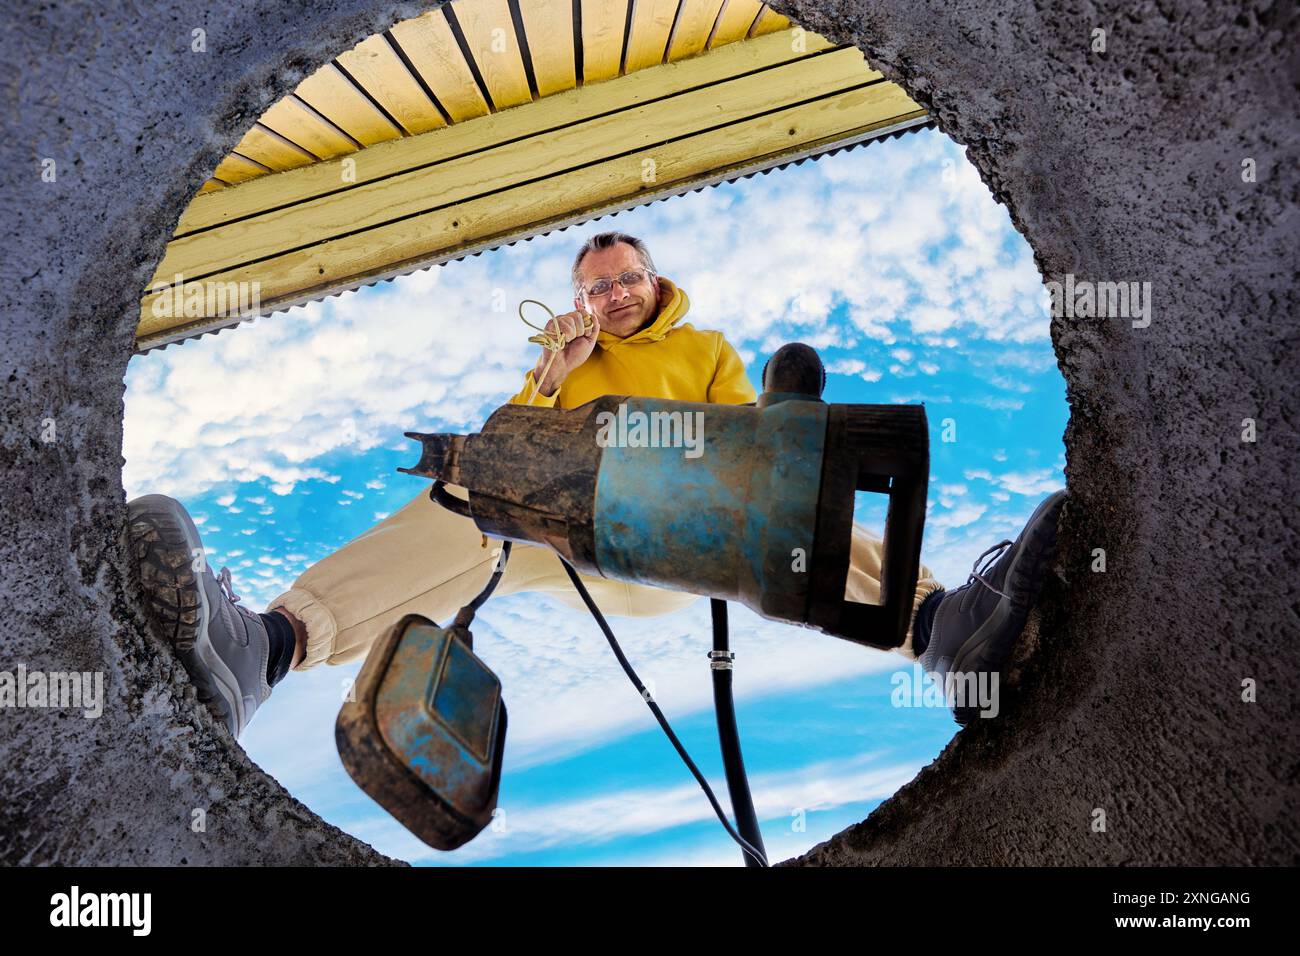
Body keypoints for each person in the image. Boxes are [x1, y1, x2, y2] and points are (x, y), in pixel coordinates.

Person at [126, 231, 1066, 739]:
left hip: (675, 523)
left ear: (654, 283)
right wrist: (550, 374)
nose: (614, 294)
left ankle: (942, 630)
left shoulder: (701, 351)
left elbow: (755, 439)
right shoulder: (563, 363)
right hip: (565, 533)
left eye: (626, 279)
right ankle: (267, 649)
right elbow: (505, 447)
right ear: (584, 300)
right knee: (466, 506)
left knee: (778, 499)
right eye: (598, 286)